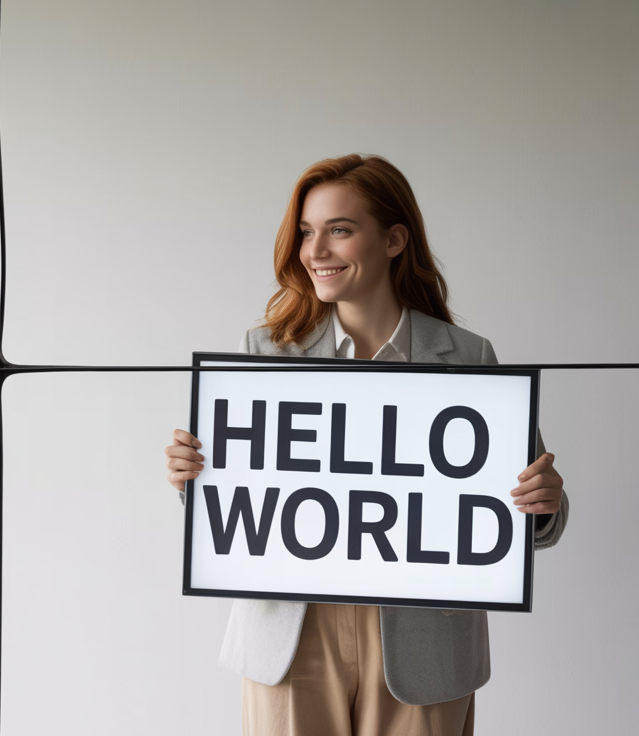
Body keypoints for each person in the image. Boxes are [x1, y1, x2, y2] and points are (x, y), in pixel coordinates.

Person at [164, 154, 568, 736]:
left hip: (424, 642)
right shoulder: (265, 352)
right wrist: (193, 481)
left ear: (395, 240)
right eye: (306, 232)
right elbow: (240, 508)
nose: (315, 251)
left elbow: (531, 523)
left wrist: (543, 504)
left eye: (339, 230)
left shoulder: (470, 357)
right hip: (291, 634)